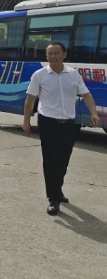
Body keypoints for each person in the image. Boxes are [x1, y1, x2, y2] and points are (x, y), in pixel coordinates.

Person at [23, 42, 100, 216]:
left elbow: (86, 94)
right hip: (48, 123)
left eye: (56, 53)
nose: (53, 56)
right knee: (50, 161)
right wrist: (26, 121)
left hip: (69, 124)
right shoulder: (39, 75)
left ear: (64, 55)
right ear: (46, 56)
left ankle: (57, 190)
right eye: (50, 53)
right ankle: (53, 198)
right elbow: (30, 100)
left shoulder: (73, 74)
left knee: (63, 161)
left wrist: (94, 113)